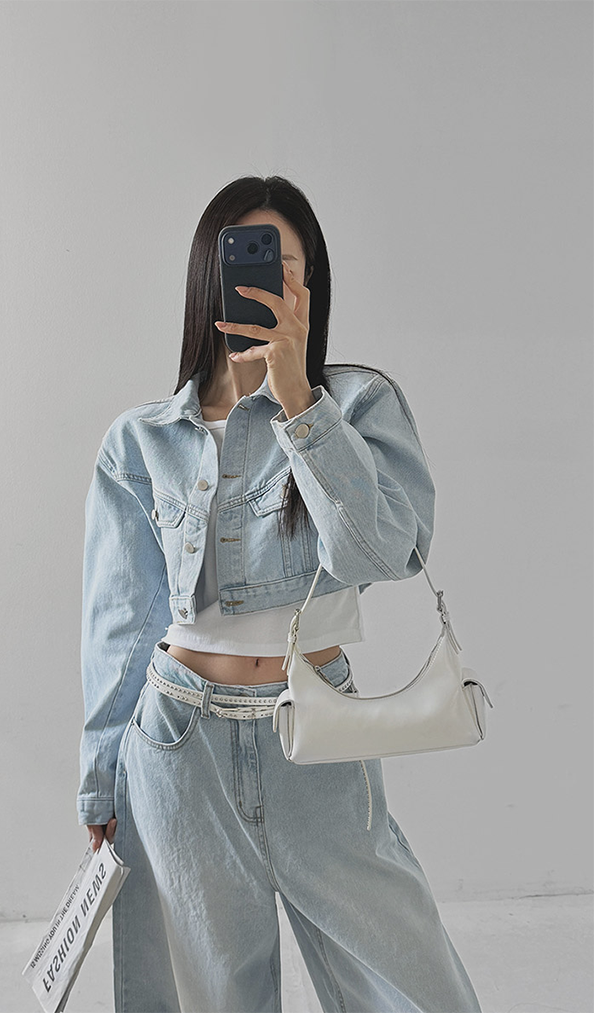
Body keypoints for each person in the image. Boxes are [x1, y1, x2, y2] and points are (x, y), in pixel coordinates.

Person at [76, 176, 483, 1012]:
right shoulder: (138, 442)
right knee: (211, 997)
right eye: (248, 264)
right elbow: (121, 625)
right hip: (177, 747)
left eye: (285, 266)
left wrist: (300, 402)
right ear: (211, 277)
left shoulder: (359, 405)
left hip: (318, 737)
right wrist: (100, 779)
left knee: (414, 988)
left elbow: (386, 552)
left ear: (310, 282)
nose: (269, 283)